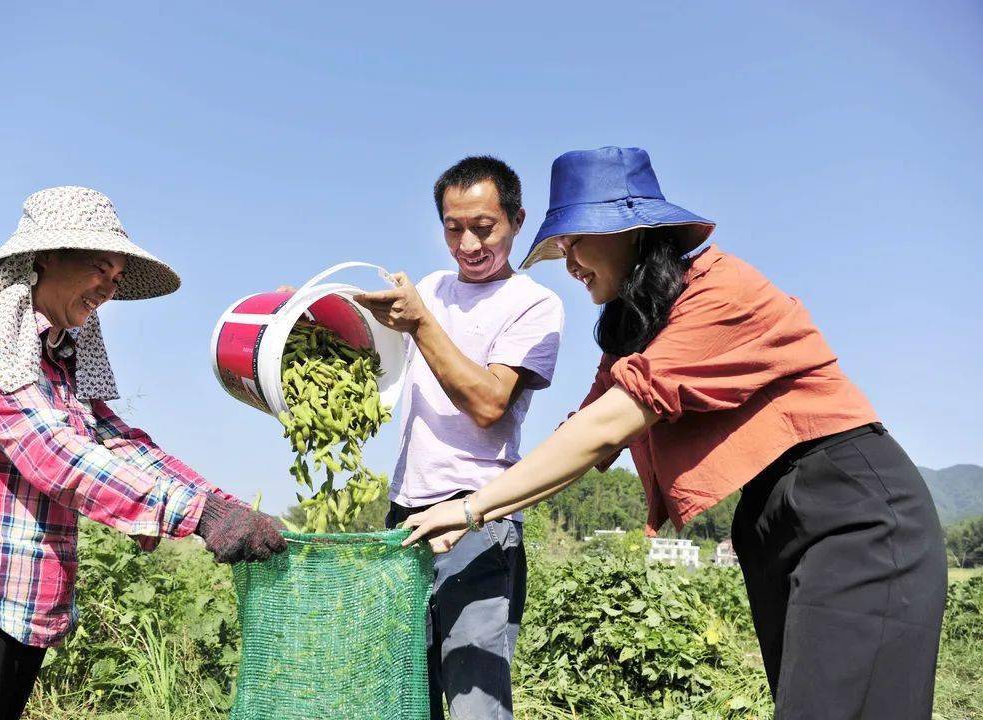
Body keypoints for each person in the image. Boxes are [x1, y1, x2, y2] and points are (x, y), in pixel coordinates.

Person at [403, 147, 947, 719]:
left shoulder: (718, 294)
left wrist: (471, 509)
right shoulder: (641, 325)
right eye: (561, 247)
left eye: (576, 242)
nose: (569, 264)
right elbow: (588, 439)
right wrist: (477, 510)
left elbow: (606, 425)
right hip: (771, 520)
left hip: (851, 511)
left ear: (632, 232)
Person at [0, 186, 286, 720]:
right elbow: (53, 454)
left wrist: (222, 504)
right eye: (98, 268)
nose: (108, 287)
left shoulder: (55, 363)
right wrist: (199, 516)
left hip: (17, 606)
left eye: (116, 275)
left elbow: (119, 444)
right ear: (45, 257)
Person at [353, 156, 564, 720]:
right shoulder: (432, 289)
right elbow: (375, 355)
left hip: (479, 521)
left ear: (517, 220)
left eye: (484, 227)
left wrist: (421, 322)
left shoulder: (534, 304)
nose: (468, 243)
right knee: (405, 696)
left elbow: (490, 405)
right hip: (406, 521)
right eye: (453, 228)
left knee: (476, 703)